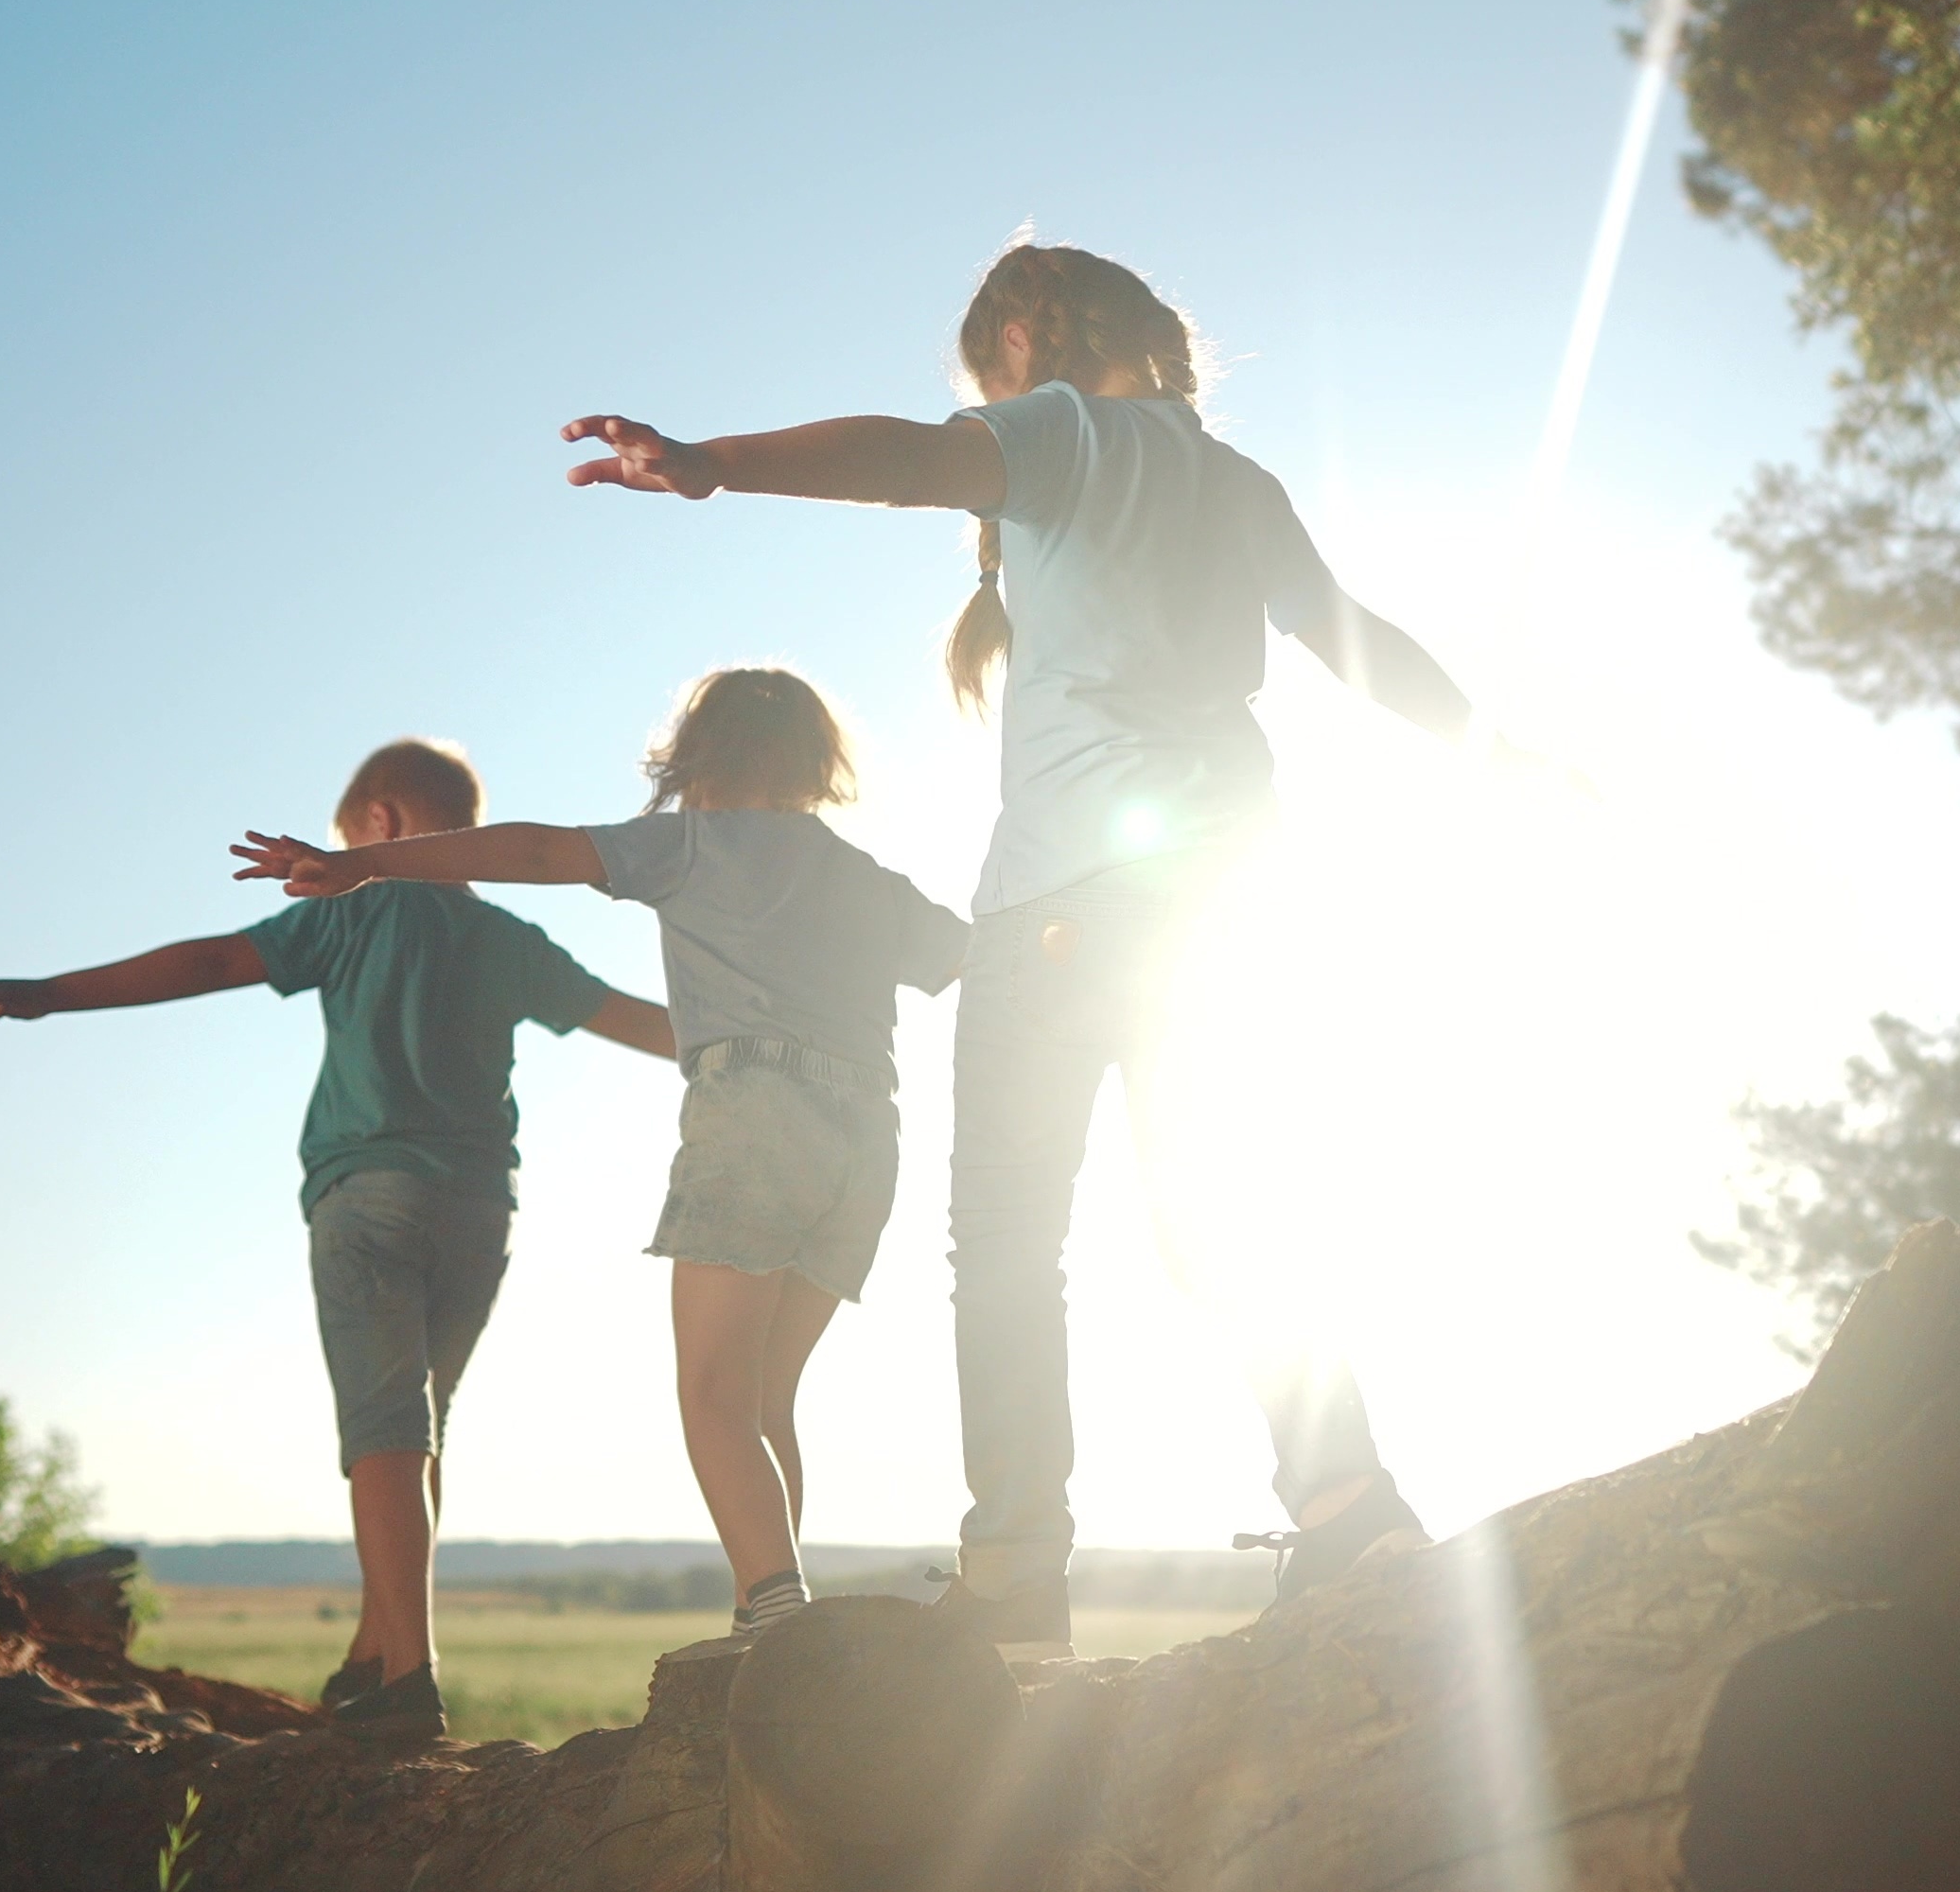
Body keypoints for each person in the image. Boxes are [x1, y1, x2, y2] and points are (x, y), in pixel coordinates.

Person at [559, 241, 1499, 1659]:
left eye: (979, 375)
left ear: (1023, 341)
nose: (978, 403)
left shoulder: (1064, 431)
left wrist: (710, 463)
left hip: (1060, 908)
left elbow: (902, 460)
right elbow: (1356, 642)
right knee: (1218, 1214)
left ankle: (1015, 1577)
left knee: (1007, 1247)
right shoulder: (1241, 486)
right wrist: (1498, 748)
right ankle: (1348, 1497)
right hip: (1223, 895)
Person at [0, 738, 674, 1740]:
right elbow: (639, 1023)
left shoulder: (356, 905)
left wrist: (47, 992)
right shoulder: (505, 935)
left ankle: (410, 1681)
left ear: (379, 824)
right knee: (422, 1427)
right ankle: (372, 1656)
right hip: (480, 1209)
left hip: (370, 1193)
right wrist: (779, 1038)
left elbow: (213, 960)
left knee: (384, 1430)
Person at [230, 669, 965, 1642]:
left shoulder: (689, 843)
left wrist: (373, 865)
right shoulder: (866, 879)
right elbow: (978, 961)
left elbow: (536, 848)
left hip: (753, 1117)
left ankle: (779, 1615)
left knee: (711, 1395)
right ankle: (770, 1599)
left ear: (695, 756)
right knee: (762, 1396)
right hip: (868, 1137)